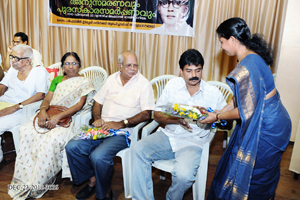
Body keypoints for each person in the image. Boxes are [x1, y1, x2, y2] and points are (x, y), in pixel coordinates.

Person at [202, 17, 292, 200]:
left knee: (255, 177)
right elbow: (239, 99)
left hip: (268, 127)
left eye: (222, 42)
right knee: (254, 171)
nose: (222, 47)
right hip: (275, 119)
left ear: (233, 40)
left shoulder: (246, 66)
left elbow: (245, 111)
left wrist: (217, 118)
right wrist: (218, 111)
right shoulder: (250, 56)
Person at [131, 49, 227, 200]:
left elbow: (226, 120)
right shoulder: (172, 85)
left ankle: (171, 198)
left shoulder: (213, 93)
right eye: (189, 70)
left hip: (193, 142)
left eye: (198, 70)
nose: (194, 75)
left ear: (202, 69)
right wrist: (176, 119)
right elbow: (157, 114)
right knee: (136, 149)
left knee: (184, 176)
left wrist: (215, 115)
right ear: (181, 71)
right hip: (169, 136)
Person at [65, 50, 155, 200]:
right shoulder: (112, 79)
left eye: (135, 65)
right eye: (128, 65)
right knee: (72, 147)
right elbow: (97, 102)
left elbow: (147, 114)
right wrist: (98, 118)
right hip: (102, 127)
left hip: (123, 132)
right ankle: (93, 179)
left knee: (98, 157)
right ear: (120, 66)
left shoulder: (143, 84)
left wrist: (121, 123)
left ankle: (103, 192)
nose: (133, 69)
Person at [8, 52, 96, 199]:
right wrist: (42, 111)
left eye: (74, 63)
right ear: (62, 66)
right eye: (67, 63)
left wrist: (57, 117)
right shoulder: (57, 80)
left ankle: (40, 181)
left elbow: (79, 106)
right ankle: (25, 178)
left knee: (51, 140)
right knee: (26, 131)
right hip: (49, 113)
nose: (71, 67)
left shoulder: (84, 82)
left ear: (79, 65)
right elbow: (48, 98)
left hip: (67, 118)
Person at [0, 44, 49, 168]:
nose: (13, 61)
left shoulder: (39, 72)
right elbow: (3, 86)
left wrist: (15, 107)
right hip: (5, 104)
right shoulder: (12, 70)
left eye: (16, 58)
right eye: (12, 57)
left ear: (28, 60)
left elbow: (40, 95)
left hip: (23, 109)